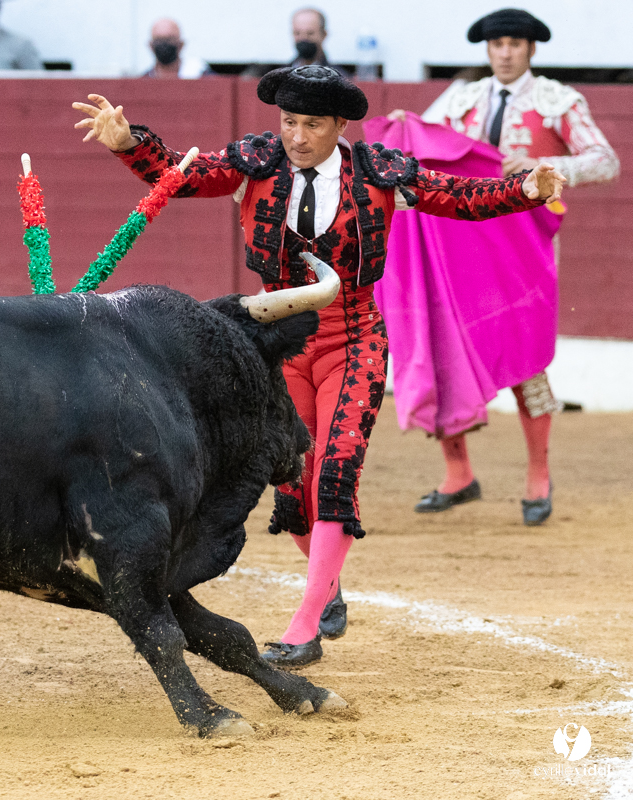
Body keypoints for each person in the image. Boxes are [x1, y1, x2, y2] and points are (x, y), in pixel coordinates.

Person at [72, 66, 564, 669]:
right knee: (292, 482)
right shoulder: (256, 163)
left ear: (338, 126)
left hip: (354, 336)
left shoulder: (379, 172)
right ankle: (326, 586)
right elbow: (179, 174)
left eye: (310, 125)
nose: (296, 136)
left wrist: (527, 190)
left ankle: (305, 625)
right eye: (288, 122)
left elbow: (458, 197)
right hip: (279, 343)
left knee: (337, 466)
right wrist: (129, 142)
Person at [393, 9, 618, 525]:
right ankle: (459, 474)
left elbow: (605, 161)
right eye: (498, 45)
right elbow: (420, 146)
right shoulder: (461, 98)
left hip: (523, 252)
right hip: (462, 246)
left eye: (515, 43)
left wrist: (551, 168)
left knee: (527, 358)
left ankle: (538, 475)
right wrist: (407, 129)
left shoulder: (558, 100)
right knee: (444, 345)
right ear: (488, 50)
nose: (506, 52)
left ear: (531, 49)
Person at [143, 18, 213, 79]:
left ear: (181, 45)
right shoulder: (143, 82)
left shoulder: (201, 75)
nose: (164, 45)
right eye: (159, 40)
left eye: (169, 39)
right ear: (151, 46)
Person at [289, 8, 348, 77]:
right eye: (297, 33)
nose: (303, 38)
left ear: (323, 34)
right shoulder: (280, 76)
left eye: (310, 33)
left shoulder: (339, 79)